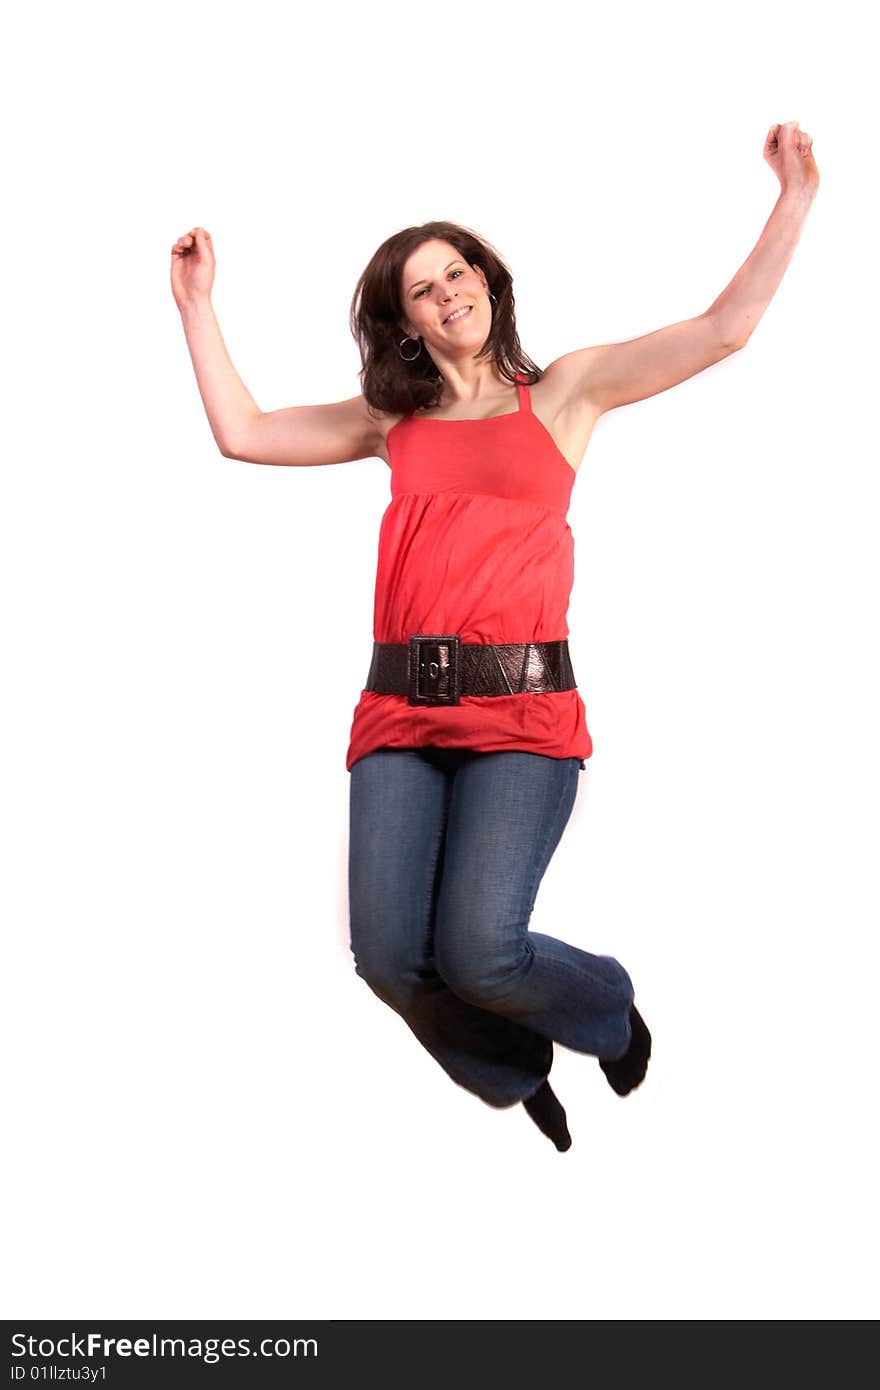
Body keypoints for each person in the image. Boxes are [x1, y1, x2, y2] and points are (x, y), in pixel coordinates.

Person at [170, 120, 818, 1151]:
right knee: (389, 958)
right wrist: (199, 308)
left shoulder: (563, 393)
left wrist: (791, 197)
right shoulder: (391, 420)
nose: (447, 292)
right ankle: (513, 1067)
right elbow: (243, 433)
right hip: (400, 715)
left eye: (457, 270)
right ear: (404, 323)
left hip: (521, 716)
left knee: (480, 953)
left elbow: (722, 329)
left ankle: (603, 1005)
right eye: (422, 289)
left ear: (488, 281)